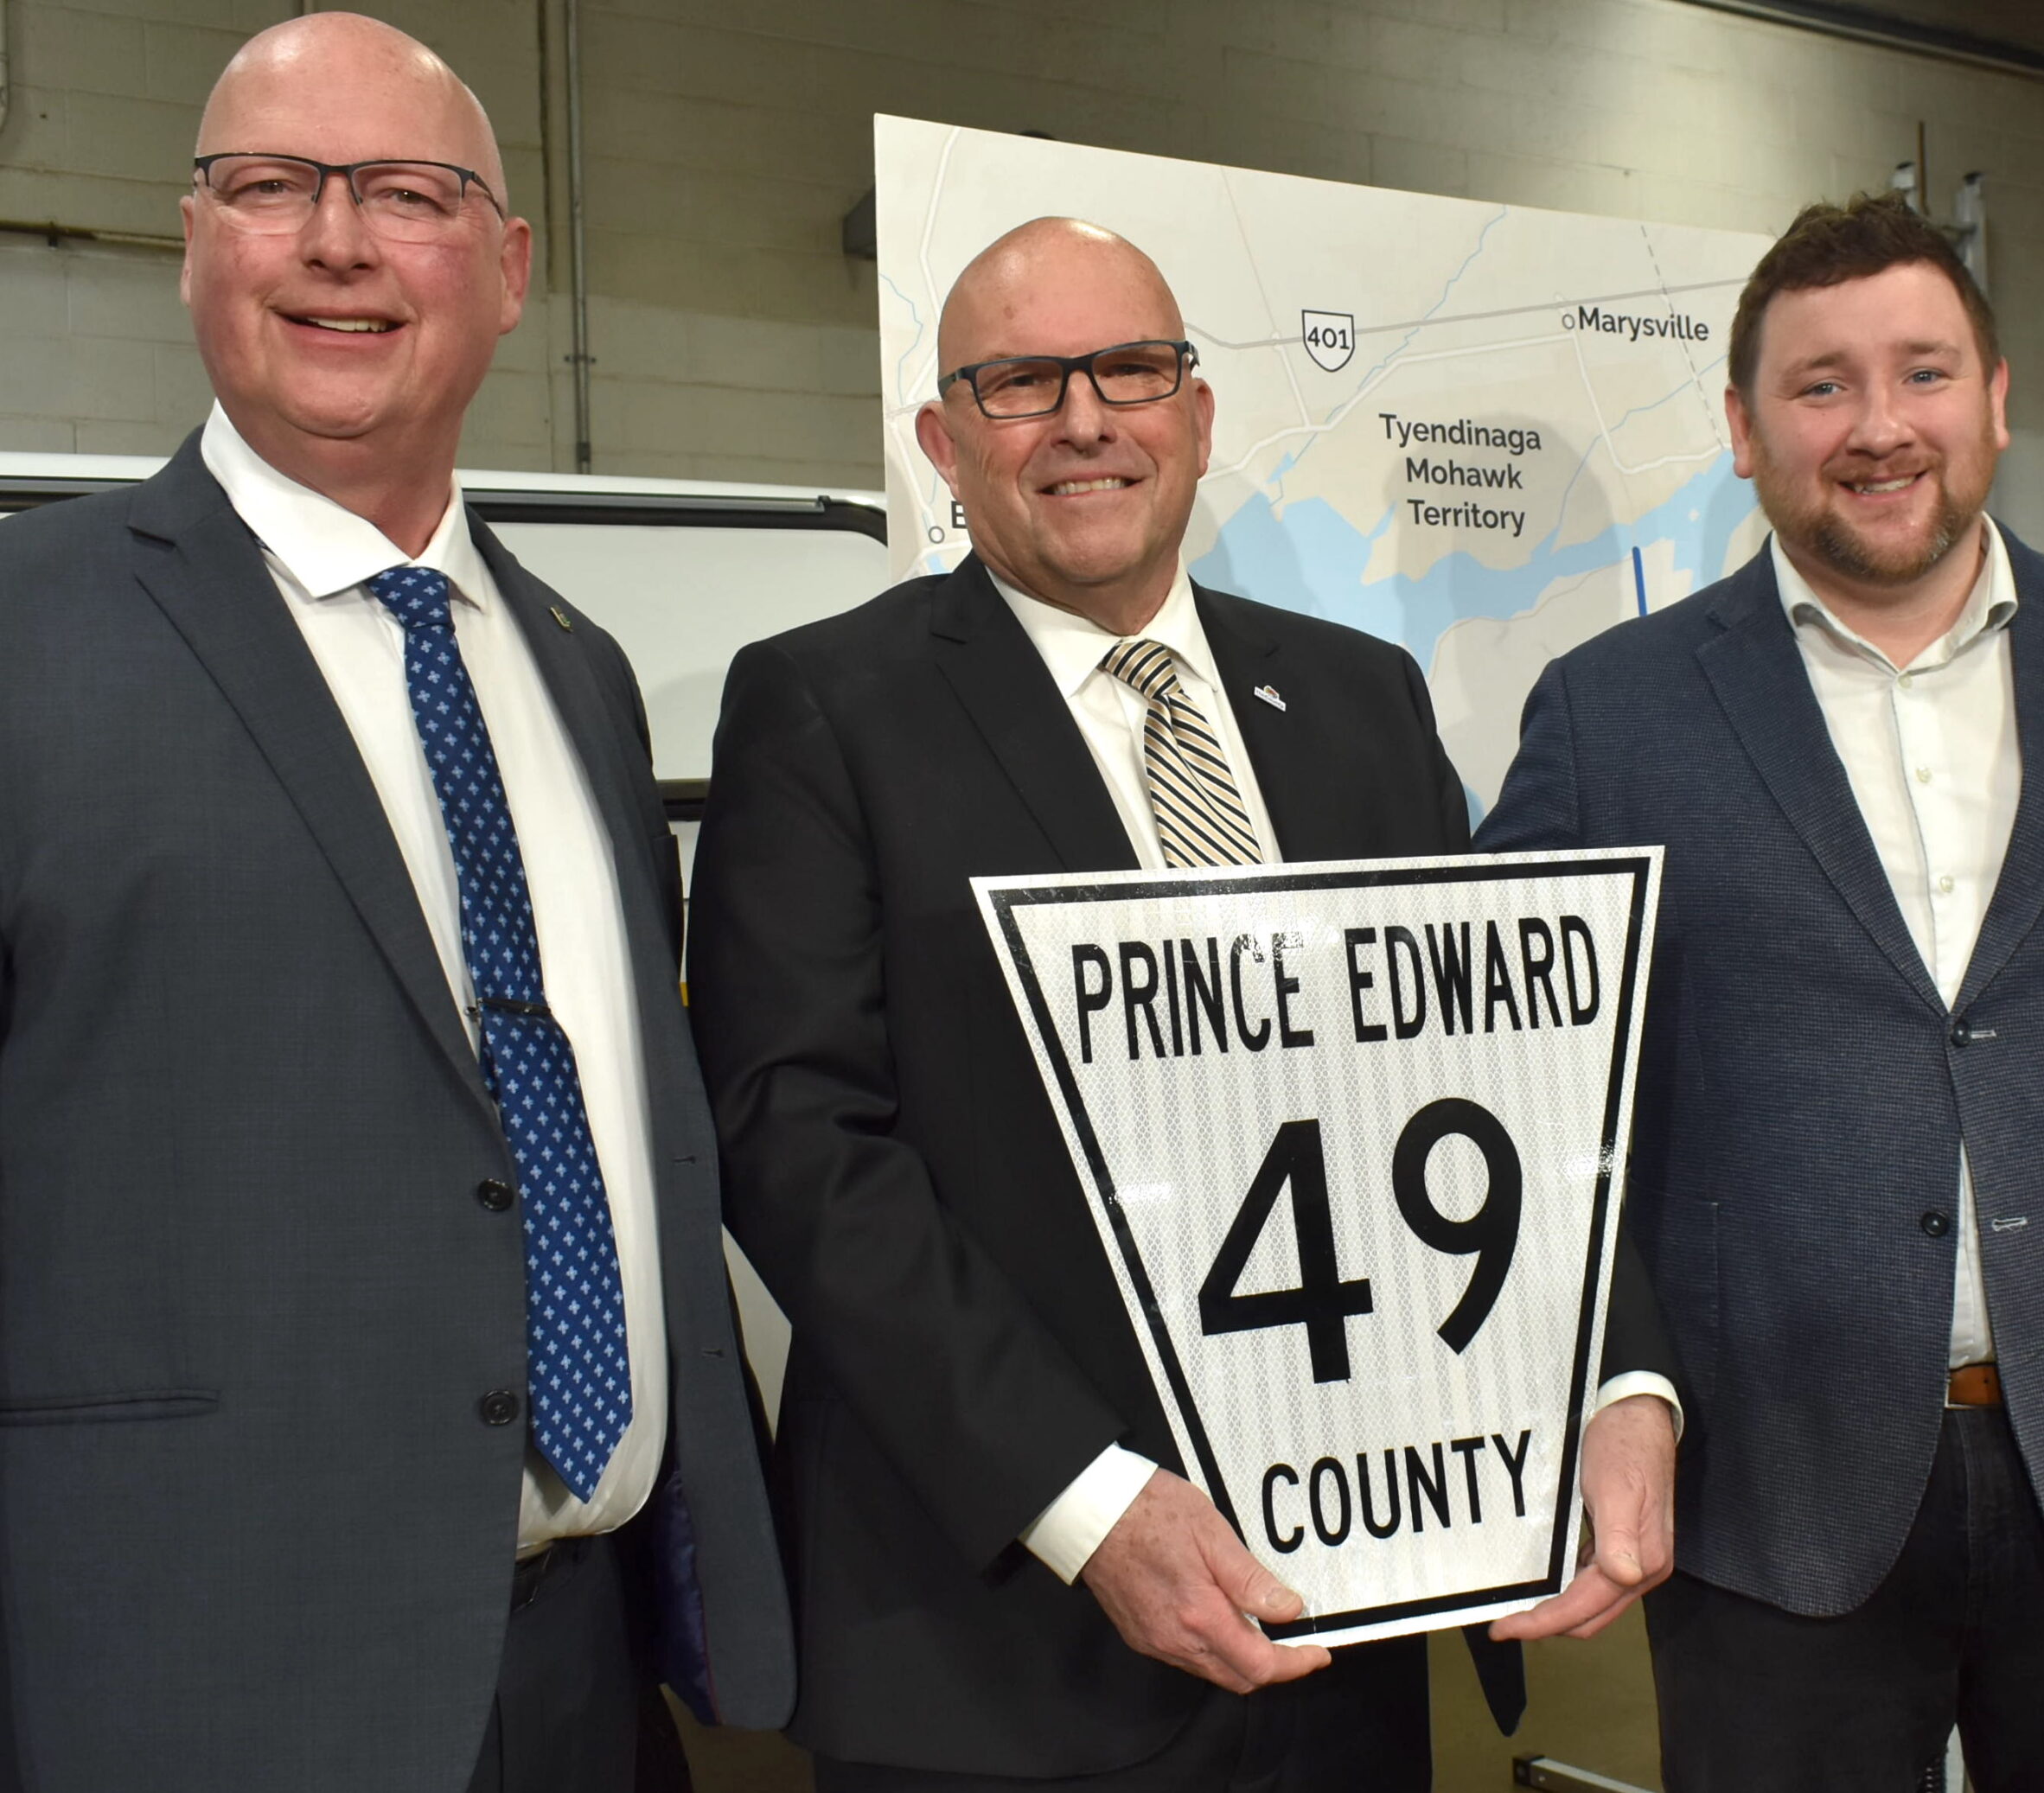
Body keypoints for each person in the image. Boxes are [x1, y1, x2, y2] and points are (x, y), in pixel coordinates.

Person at [688, 215, 1678, 1792]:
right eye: (1023, 382)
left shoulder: (1362, 697)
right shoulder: (823, 706)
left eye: (1131, 370)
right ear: (946, 441)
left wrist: (1612, 1375)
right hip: (1000, 1651)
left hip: (1347, 1638)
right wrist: (1089, 1499)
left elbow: (1513, 1081)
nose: (1087, 419)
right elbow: (794, 1139)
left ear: (1198, 416)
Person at [0, 15, 789, 1790]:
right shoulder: (24, 639)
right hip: (182, 1691)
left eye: (408, 194)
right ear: (195, 238)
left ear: (508, 270)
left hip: (593, 1677)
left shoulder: (577, 672)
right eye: (272, 186)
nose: (337, 240)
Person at [1479, 191, 2044, 1790]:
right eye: (1820, 385)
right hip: (1773, 1496)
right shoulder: (1610, 714)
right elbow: (1521, 1084)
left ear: (1996, 398)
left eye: (1923, 373)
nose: (1878, 427)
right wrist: (1611, 1377)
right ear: (1741, 425)